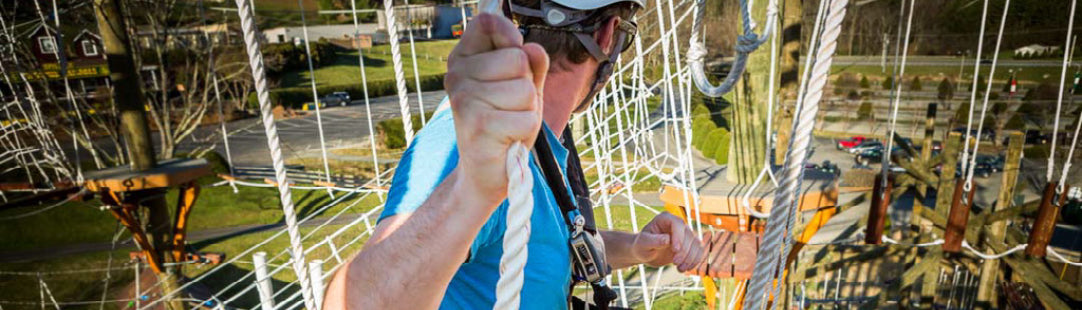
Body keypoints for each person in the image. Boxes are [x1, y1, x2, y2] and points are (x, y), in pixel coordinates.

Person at [323, 0, 705, 309]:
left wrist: (638, 248)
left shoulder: (540, 144)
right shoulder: (460, 148)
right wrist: (470, 190)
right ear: (608, 36)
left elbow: (539, 245)